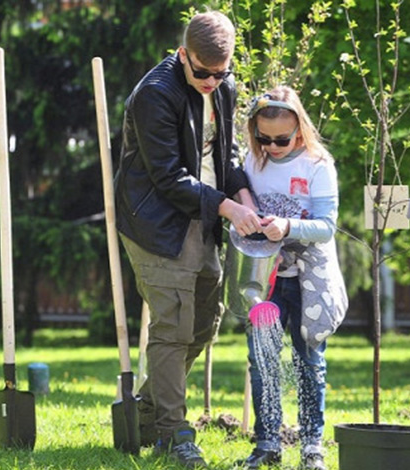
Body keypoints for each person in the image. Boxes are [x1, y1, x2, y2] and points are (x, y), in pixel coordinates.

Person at [114, 11, 261, 469]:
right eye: (203, 72)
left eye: (222, 72)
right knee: (173, 325)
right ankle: (174, 433)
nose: (213, 81)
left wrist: (243, 195)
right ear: (183, 55)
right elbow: (170, 178)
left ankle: (145, 413)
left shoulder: (223, 86)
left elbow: (227, 151)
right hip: (157, 222)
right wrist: (231, 208)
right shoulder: (155, 94)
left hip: (206, 216)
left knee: (203, 322)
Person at [237, 86, 347, 470]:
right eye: (263, 139)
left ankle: (312, 443)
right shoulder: (254, 163)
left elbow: (327, 227)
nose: (272, 146)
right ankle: (267, 442)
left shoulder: (317, 166)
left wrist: (287, 225)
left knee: (308, 360)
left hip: (307, 281)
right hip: (265, 280)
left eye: (281, 139)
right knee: (262, 359)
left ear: (299, 129)